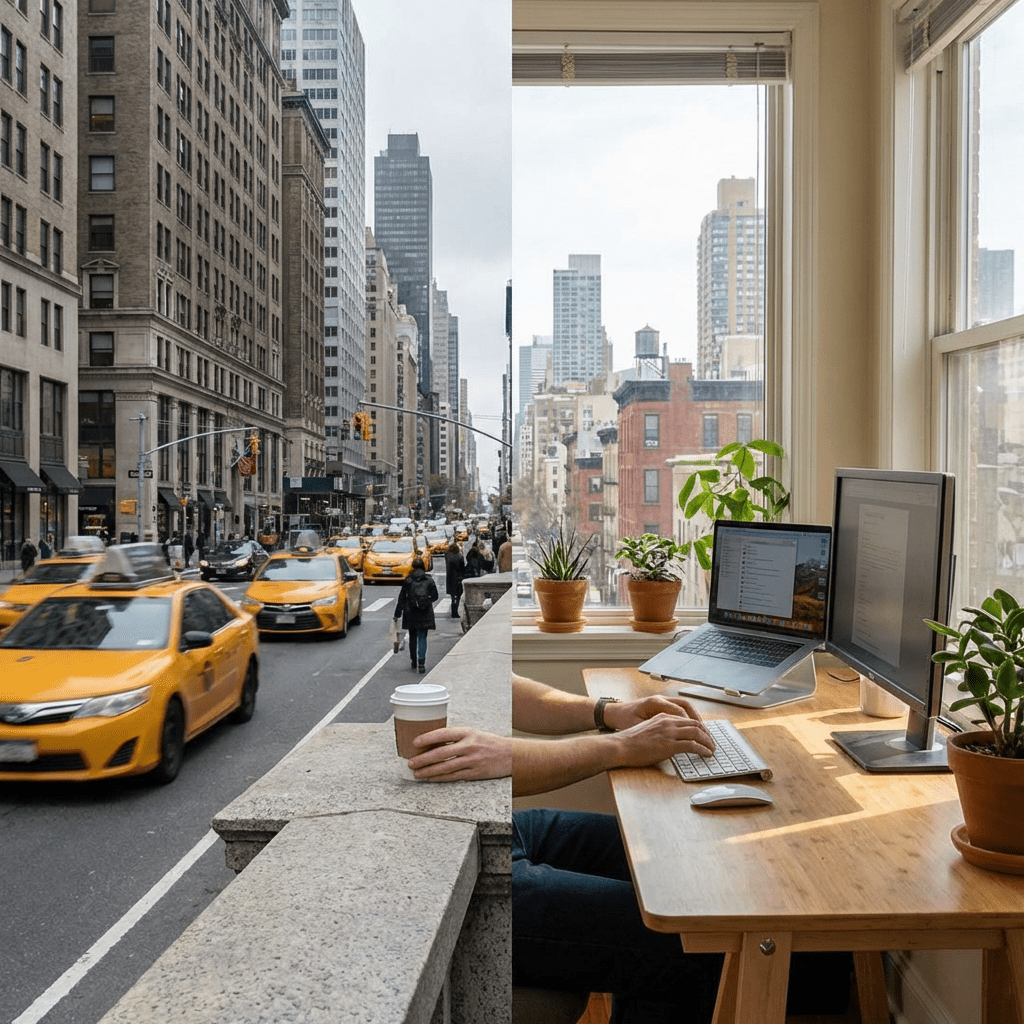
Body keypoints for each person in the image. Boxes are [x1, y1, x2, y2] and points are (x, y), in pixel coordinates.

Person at [406, 675, 851, 1022]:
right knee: (690, 938)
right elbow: (498, 762)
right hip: (454, 883)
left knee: (673, 863)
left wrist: (611, 712)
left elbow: (512, 693)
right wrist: (621, 747)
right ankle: (816, 980)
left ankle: (825, 970)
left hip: (505, 833)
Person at [393, 555, 439, 674]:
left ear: (413, 567)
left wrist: (397, 613)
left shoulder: (408, 580)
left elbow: (402, 598)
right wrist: (425, 601)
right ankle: (421, 662)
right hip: (425, 612)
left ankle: (413, 661)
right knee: (422, 637)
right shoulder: (429, 580)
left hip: (410, 612)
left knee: (412, 636)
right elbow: (435, 596)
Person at [444, 539, 466, 618]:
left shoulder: (447, 556)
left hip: (450, 579)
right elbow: (462, 568)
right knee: (458, 596)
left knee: (453, 597)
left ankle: (453, 611)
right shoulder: (459, 557)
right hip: (457, 578)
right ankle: (455, 612)